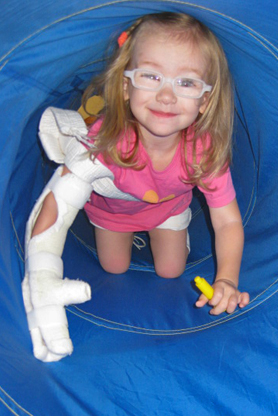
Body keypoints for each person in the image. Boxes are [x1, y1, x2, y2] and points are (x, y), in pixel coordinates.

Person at [23, 12, 249, 362]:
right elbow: (56, 203)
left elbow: (228, 221)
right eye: (150, 76)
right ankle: (133, 234)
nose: (166, 95)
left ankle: (170, 232)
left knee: (172, 270)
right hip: (112, 213)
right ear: (126, 86)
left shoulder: (204, 152)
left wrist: (228, 280)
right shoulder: (105, 140)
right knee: (114, 267)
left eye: (186, 82)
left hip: (168, 209)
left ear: (205, 101)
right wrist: (42, 272)